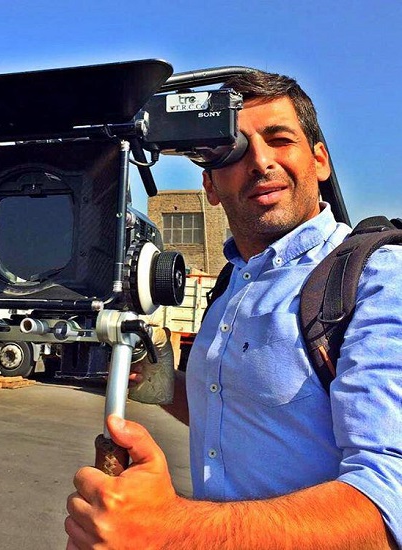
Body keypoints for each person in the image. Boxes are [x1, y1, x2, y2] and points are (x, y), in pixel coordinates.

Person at [65, 70, 401, 549]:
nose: (261, 162)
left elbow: (388, 504)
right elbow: (235, 408)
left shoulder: (376, 278)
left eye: (280, 140)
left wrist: (174, 530)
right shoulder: (231, 284)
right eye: (234, 149)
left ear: (320, 160)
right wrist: (161, 382)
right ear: (210, 184)